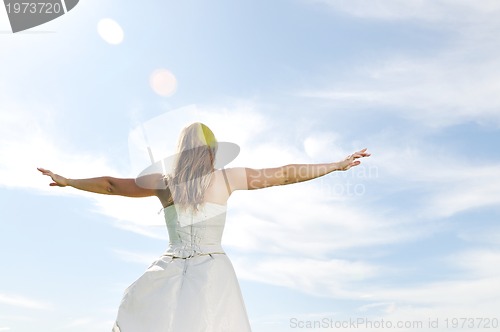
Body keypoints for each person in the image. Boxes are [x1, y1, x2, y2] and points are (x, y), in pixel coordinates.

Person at [38, 122, 370, 332]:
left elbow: (111, 185)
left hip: (169, 270)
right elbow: (283, 173)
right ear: (212, 151)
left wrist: (69, 181)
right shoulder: (228, 178)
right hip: (212, 270)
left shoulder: (162, 182)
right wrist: (334, 166)